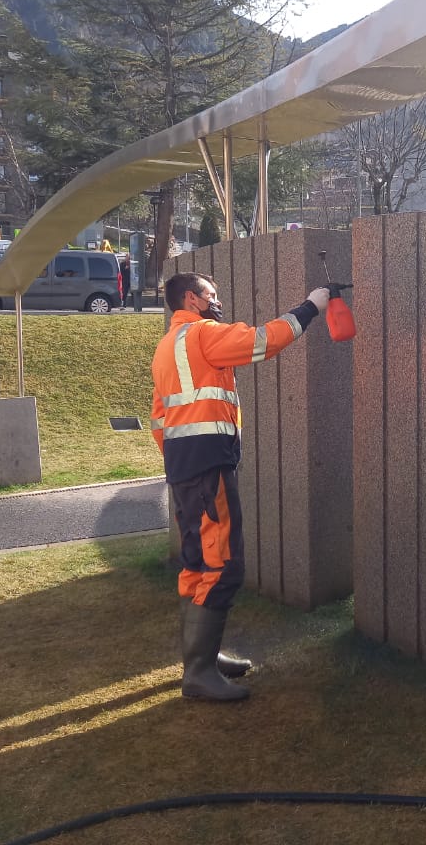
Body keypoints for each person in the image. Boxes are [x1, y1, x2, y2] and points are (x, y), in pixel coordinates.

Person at [151, 272, 329, 701]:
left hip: (185, 467)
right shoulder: (202, 334)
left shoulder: (167, 346)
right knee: (222, 563)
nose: (218, 302)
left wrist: (180, 459)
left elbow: (160, 417)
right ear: (191, 299)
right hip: (208, 464)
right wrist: (312, 307)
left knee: (197, 561)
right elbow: (262, 340)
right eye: (212, 295)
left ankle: (202, 657)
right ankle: (198, 674)